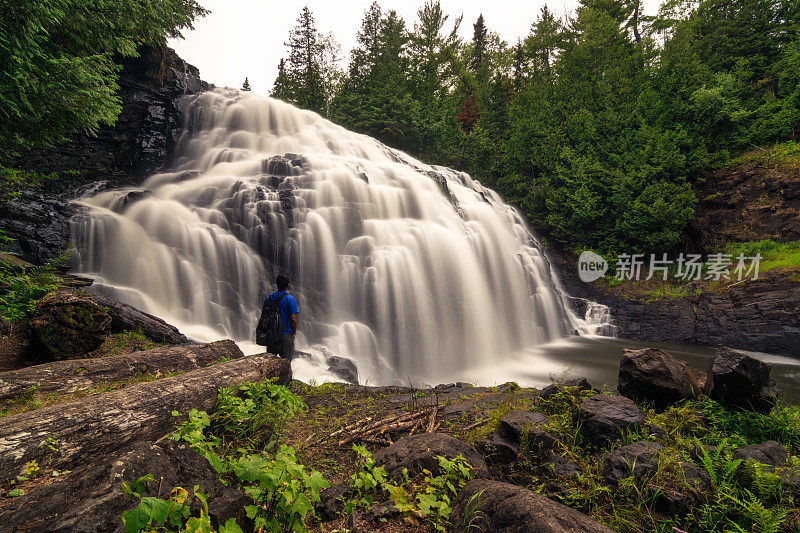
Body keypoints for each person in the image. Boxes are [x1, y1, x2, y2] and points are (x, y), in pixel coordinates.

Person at [266, 274, 299, 358]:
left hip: (272, 335)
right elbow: (293, 318)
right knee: (286, 363)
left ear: (276, 284)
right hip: (285, 335)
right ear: (288, 286)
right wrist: (294, 332)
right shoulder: (289, 299)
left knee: (270, 362)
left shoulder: (270, 298)